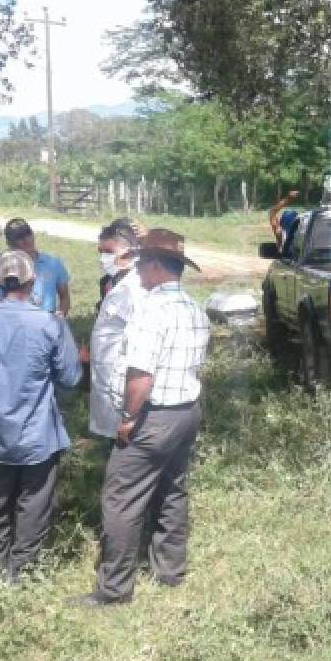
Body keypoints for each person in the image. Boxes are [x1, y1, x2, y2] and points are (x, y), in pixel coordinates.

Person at [72, 229, 210, 607]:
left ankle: (114, 589)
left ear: (152, 266)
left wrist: (129, 417)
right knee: (172, 489)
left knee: (121, 498)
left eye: (140, 265)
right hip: (186, 412)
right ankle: (170, 570)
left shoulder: (151, 310)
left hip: (154, 415)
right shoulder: (194, 308)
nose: (138, 273)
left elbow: (142, 377)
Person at [0, 251, 81, 580]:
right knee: (34, 503)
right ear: (33, 281)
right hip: (39, 431)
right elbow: (70, 378)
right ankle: (22, 572)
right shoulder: (49, 323)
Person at [89, 219, 144, 449]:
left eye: (109, 252)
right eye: (101, 252)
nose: (103, 258)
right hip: (105, 376)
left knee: (125, 449)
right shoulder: (113, 282)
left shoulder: (137, 287)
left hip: (123, 380)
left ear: (131, 252)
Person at [0, 218, 71, 317]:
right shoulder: (4, 267)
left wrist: (60, 317)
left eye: (28, 234)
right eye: (19, 237)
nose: (26, 240)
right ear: (10, 243)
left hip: (46, 322)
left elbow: (64, 296)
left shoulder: (53, 263)